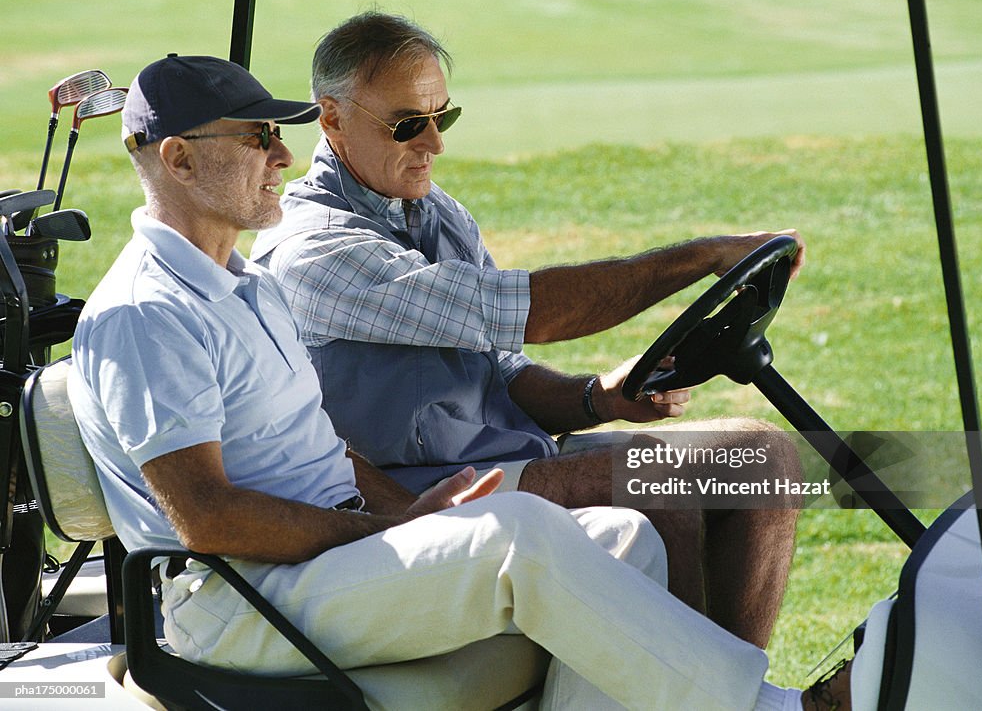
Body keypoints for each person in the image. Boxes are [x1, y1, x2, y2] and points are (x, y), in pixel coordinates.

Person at [68, 54, 849, 710]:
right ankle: (767, 708)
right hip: (238, 600)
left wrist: (409, 511)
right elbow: (207, 518)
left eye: (278, 136)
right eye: (258, 137)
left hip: (315, 562)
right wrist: (388, 533)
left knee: (624, 537)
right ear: (177, 158)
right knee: (523, 533)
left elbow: (324, 447)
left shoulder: (241, 283)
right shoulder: (147, 314)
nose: (281, 155)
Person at [250, 10, 803, 647]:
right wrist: (700, 258)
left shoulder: (436, 213)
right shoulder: (315, 252)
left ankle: (736, 687)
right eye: (408, 124)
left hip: (508, 461)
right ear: (333, 118)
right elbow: (527, 312)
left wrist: (597, 397)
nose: (434, 143)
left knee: (766, 459)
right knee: (665, 489)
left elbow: (501, 366)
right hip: (422, 492)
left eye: (442, 117)